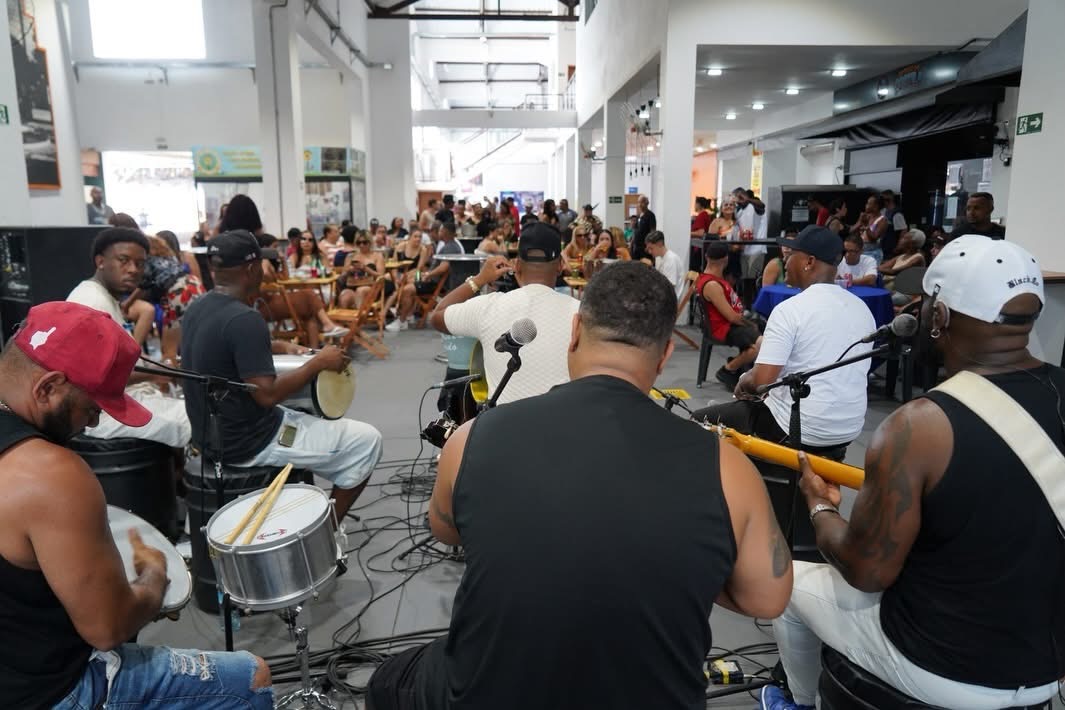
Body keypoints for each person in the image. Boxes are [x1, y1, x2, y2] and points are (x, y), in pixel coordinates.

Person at [368, 262, 793, 710]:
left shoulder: (471, 438)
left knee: (389, 682)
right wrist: (691, 563)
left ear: (574, 332)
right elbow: (766, 598)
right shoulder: (729, 468)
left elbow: (447, 530)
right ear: (666, 355)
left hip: (490, 694)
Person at [762, 237, 1063, 710]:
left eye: (925, 305)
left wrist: (819, 505)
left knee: (787, 584)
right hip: (1048, 668)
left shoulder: (919, 427)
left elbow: (866, 571)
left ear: (939, 318)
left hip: (943, 668)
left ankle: (796, 702)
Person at [0, 301, 273, 710]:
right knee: (253, 677)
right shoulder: (49, 472)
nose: (91, 424)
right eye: (91, 408)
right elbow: (107, 628)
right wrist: (153, 578)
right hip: (47, 694)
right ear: (47, 388)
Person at [181, 231, 382, 521]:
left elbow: (219, 349)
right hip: (251, 442)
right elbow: (267, 395)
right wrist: (318, 362)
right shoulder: (245, 319)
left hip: (210, 437)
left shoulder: (198, 308)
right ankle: (327, 531)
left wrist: (275, 345)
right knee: (367, 441)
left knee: (303, 410)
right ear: (251, 269)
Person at [693, 226, 874, 454]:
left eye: (790, 255)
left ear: (809, 261)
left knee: (698, 421)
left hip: (797, 427)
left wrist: (742, 381)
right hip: (848, 428)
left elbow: (760, 382)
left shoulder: (790, 310)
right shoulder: (863, 309)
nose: (784, 261)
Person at [66, 228, 191, 448]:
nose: (133, 269)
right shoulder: (91, 303)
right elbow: (95, 380)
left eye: (140, 264)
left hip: (123, 400)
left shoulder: (105, 297)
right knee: (199, 421)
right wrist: (153, 375)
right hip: (102, 415)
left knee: (194, 409)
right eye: (124, 260)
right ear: (100, 261)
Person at [430, 223, 580, 405]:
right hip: (563, 428)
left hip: (500, 429)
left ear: (516, 265)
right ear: (560, 266)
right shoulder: (580, 313)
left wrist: (479, 280)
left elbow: (437, 316)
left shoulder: (488, 307)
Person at [122, 235, 206, 363]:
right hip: (193, 286)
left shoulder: (147, 260)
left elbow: (143, 285)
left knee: (169, 351)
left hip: (178, 294)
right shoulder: (166, 255)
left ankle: (163, 379)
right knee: (193, 341)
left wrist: (126, 305)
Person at [697, 241, 762, 388]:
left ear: (707, 256)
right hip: (723, 328)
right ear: (725, 259)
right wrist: (750, 323)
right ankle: (728, 369)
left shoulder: (715, 280)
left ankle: (742, 367)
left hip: (728, 324)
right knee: (760, 343)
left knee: (763, 327)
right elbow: (732, 317)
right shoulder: (712, 285)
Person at [395, 221, 463, 328]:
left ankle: (401, 321)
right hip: (433, 281)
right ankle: (408, 315)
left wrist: (428, 275)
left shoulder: (450, 247)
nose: (438, 233)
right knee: (408, 281)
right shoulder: (449, 245)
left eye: (440, 230)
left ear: (444, 232)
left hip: (435, 284)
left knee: (407, 289)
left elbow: (443, 267)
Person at [733, 188, 767, 309]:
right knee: (746, 280)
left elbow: (762, 206)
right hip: (745, 249)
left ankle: (755, 308)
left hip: (757, 249)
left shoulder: (755, 206)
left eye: (738, 197)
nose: (737, 200)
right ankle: (748, 307)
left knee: (752, 281)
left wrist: (747, 199)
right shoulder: (739, 210)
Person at [878, 228, 926, 303]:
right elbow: (882, 267)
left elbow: (894, 272)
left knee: (882, 300)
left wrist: (876, 268)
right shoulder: (901, 257)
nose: (900, 240)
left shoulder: (918, 258)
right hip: (890, 290)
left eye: (904, 238)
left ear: (911, 243)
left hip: (905, 293)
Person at [645, 230, 686, 300]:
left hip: (670, 301)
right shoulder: (663, 257)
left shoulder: (671, 259)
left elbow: (669, 287)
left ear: (660, 244)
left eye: (651, 248)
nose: (649, 252)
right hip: (665, 297)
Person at [851, 194, 887, 264]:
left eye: (869, 203)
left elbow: (874, 237)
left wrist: (866, 226)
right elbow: (853, 232)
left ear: (876, 206)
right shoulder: (865, 216)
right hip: (860, 250)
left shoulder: (882, 220)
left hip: (872, 253)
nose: (866, 205)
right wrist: (860, 222)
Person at [879, 189, 908, 259]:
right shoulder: (883, 211)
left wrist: (899, 246)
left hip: (891, 247)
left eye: (883, 200)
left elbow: (903, 230)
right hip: (882, 245)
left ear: (889, 200)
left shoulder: (897, 214)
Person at [632, 194, 656, 262]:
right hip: (636, 248)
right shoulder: (639, 215)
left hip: (645, 248)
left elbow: (652, 232)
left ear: (647, 203)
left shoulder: (651, 215)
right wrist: (632, 243)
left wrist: (649, 246)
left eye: (642, 202)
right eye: (638, 202)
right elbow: (635, 230)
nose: (639, 204)